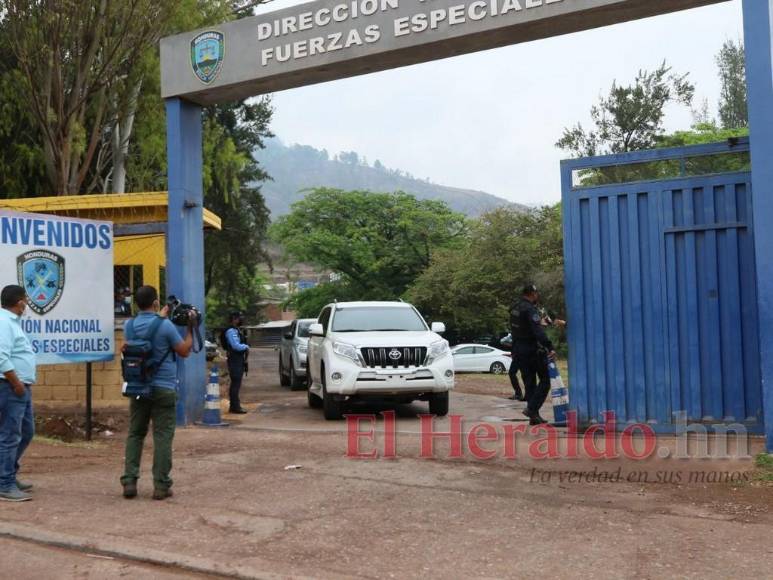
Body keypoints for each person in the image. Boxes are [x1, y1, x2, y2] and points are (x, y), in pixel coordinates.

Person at [120, 285, 197, 501]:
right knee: (162, 437)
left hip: (138, 388)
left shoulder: (129, 325)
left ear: (136, 303)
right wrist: (190, 329)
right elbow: (184, 351)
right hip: (163, 388)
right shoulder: (166, 326)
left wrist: (161, 316)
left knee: (135, 434)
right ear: (155, 303)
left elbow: (139, 337)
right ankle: (161, 486)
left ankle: (129, 481)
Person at [0, 285, 36, 502]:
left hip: (20, 388)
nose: (27, 304)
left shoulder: (12, 323)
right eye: (25, 300)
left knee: (26, 431)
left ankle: (8, 474)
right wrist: (16, 384)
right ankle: (5, 484)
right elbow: (1, 357)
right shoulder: (4, 323)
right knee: (10, 435)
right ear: (19, 302)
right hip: (11, 387)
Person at [510, 284, 557, 425]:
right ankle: (531, 409)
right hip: (532, 349)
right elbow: (537, 331)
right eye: (536, 294)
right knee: (545, 380)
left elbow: (515, 330)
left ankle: (534, 417)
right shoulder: (530, 310)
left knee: (529, 383)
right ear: (531, 293)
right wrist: (549, 346)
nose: (537, 296)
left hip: (519, 350)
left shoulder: (514, 308)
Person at [221, 312, 249, 414]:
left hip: (237, 359)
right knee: (235, 384)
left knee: (236, 383)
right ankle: (235, 407)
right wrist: (246, 347)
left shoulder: (236, 330)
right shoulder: (231, 331)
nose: (241, 320)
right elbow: (235, 346)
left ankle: (235, 406)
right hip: (234, 359)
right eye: (239, 318)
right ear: (234, 319)